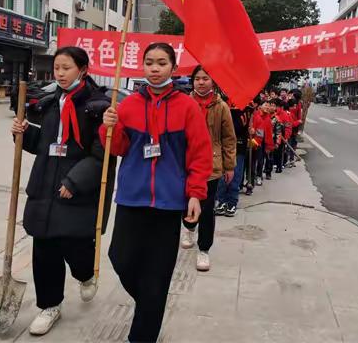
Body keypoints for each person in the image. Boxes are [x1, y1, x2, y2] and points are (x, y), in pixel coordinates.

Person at [101, 43, 212, 343]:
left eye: (161, 63)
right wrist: (108, 128)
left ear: (173, 68)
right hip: (131, 198)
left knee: (158, 274)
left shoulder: (187, 107)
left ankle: (143, 334)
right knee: (120, 259)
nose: (154, 68)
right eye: (149, 62)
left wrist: (195, 194)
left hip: (167, 202)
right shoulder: (128, 105)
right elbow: (119, 148)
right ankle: (150, 303)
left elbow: (200, 154)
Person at [11, 46, 117, 336]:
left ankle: (85, 274)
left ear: (82, 69)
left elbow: (101, 155)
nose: (59, 73)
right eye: (57, 67)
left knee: (76, 245)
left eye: (66, 67)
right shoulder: (50, 103)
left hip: (77, 190)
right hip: (45, 184)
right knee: (44, 248)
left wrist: (75, 182)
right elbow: (43, 146)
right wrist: (23, 134)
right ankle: (49, 305)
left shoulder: (98, 106)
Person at [180, 66, 236, 271]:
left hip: (211, 166)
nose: (201, 82)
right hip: (185, 163)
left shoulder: (221, 107)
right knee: (184, 202)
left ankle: (204, 249)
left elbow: (229, 139)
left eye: (205, 78)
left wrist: (230, 166)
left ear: (213, 81)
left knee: (206, 208)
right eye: (197, 79)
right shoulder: (184, 103)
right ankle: (189, 227)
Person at [216, 101, 250, 216]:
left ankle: (232, 203)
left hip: (238, 148)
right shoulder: (222, 105)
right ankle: (221, 201)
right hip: (222, 147)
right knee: (221, 177)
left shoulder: (246, 109)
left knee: (235, 176)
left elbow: (236, 127)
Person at [248, 100, 274, 193]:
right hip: (253, 141)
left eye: (268, 106)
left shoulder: (268, 118)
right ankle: (251, 179)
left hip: (262, 143)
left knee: (260, 161)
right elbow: (250, 126)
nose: (267, 107)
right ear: (260, 106)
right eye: (265, 105)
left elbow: (270, 133)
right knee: (252, 161)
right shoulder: (255, 115)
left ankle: (259, 176)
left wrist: (269, 146)